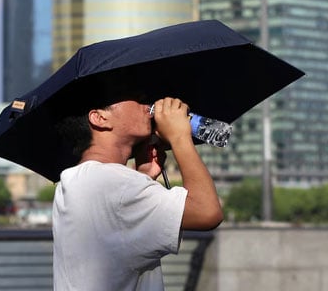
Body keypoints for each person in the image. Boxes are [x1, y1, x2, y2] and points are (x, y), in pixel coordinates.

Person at [52, 96, 223, 290]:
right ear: (99, 118)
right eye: (132, 95)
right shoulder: (115, 183)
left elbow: (118, 238)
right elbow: (207, 212)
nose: (146, 102)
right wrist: (179, 137)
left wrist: (144, 176)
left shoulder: (74, 181)